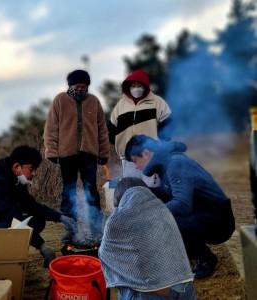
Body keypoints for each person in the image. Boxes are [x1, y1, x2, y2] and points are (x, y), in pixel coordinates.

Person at [124, 135, 235, 279]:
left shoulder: (175, 163)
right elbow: (167, 194)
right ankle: (191, 250)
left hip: (219, 221)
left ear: (146, 153)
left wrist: (150, 213)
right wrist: (140, 192)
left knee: (164, 219)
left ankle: (206, 258)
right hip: (204, 212)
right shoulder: (165, 163)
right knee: (155, 201)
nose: (136, 166)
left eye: (135, 161)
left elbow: (182, 204)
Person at [0, 145, 76, 268]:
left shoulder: (14, 180)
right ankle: (1, 258)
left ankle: (6, 254)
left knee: (37, 220)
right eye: (31, 169)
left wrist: (61, 218)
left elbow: (32, 206)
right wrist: (42, 246)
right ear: (16, 167)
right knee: (16, 223)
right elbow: (14, 219)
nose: (34, 173)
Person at [99, 177, 197, 300]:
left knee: (123, 283)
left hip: (149, 294)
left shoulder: (118, 219)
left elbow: (105, 254)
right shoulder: (163, 210)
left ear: (119, 198)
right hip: (185, 288)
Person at [44, 69, 109, 236]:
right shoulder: (60, 100)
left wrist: (103, 153)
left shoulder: (94, 101)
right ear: (70, 85)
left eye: (84, 86)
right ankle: (70, 229)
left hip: (89, 154)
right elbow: (51, 127)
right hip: (67, 154)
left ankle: (96, 229)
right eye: (77, 85)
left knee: (91, 190)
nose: (80, 89)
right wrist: (51, 151)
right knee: (68, 191)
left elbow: (102, 129)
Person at [108, 69, 172, 188]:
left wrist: (159, 146)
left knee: (152, 190)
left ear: (145, 86)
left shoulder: (157, 102)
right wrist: (120, 145)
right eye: (133, 85)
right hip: (128, 159)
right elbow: (111, 128)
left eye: (139, 85)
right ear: (128, 87)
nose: (136, 88)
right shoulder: (121, 105)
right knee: (132, 191)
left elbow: (168, 125)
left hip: (149, 157)